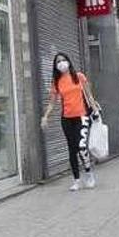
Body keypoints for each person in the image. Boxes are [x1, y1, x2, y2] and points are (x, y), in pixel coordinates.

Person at [39, 53, 102, 191]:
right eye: (58, 62)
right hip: (66, 119)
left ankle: (89, 174)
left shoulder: (79, 76)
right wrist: (45, 116)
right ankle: (76, 180)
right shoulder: (56, 82)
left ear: (68, 61)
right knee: (72, 149)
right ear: (55, 66)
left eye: (63, 60)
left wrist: (95, 110)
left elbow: (89, 95)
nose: (61, 63)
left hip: (82, 116)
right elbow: (52, 102)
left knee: (81, 146)